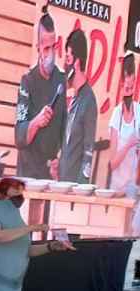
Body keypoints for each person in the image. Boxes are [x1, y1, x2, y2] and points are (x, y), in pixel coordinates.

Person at [16, 7, 67, 179]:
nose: (50, 54)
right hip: (28, 175)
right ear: (38, 48)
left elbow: (65, 128)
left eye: (53, 47)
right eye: (46, 49)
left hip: (50, 176)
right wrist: (37, 122)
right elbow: (19, 137)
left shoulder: (61, 80)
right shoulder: (27, 81)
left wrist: (60, 159)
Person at [53, 29, 97, 183]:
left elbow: (88, 151)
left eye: (68, 58)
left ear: (77, 63)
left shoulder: (89, 101)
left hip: (74, 188)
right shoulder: (73, 97)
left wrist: (80, 188)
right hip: (62, 185)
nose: (65, 65)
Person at [108, 54, 140, 235]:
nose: (129, 90)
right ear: (121, 86)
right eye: (126, 87)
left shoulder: (139, 111)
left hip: (133, 189)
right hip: (118, 189)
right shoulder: (116, 115)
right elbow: (112, 164)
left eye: (132, 87)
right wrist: (128, 145)